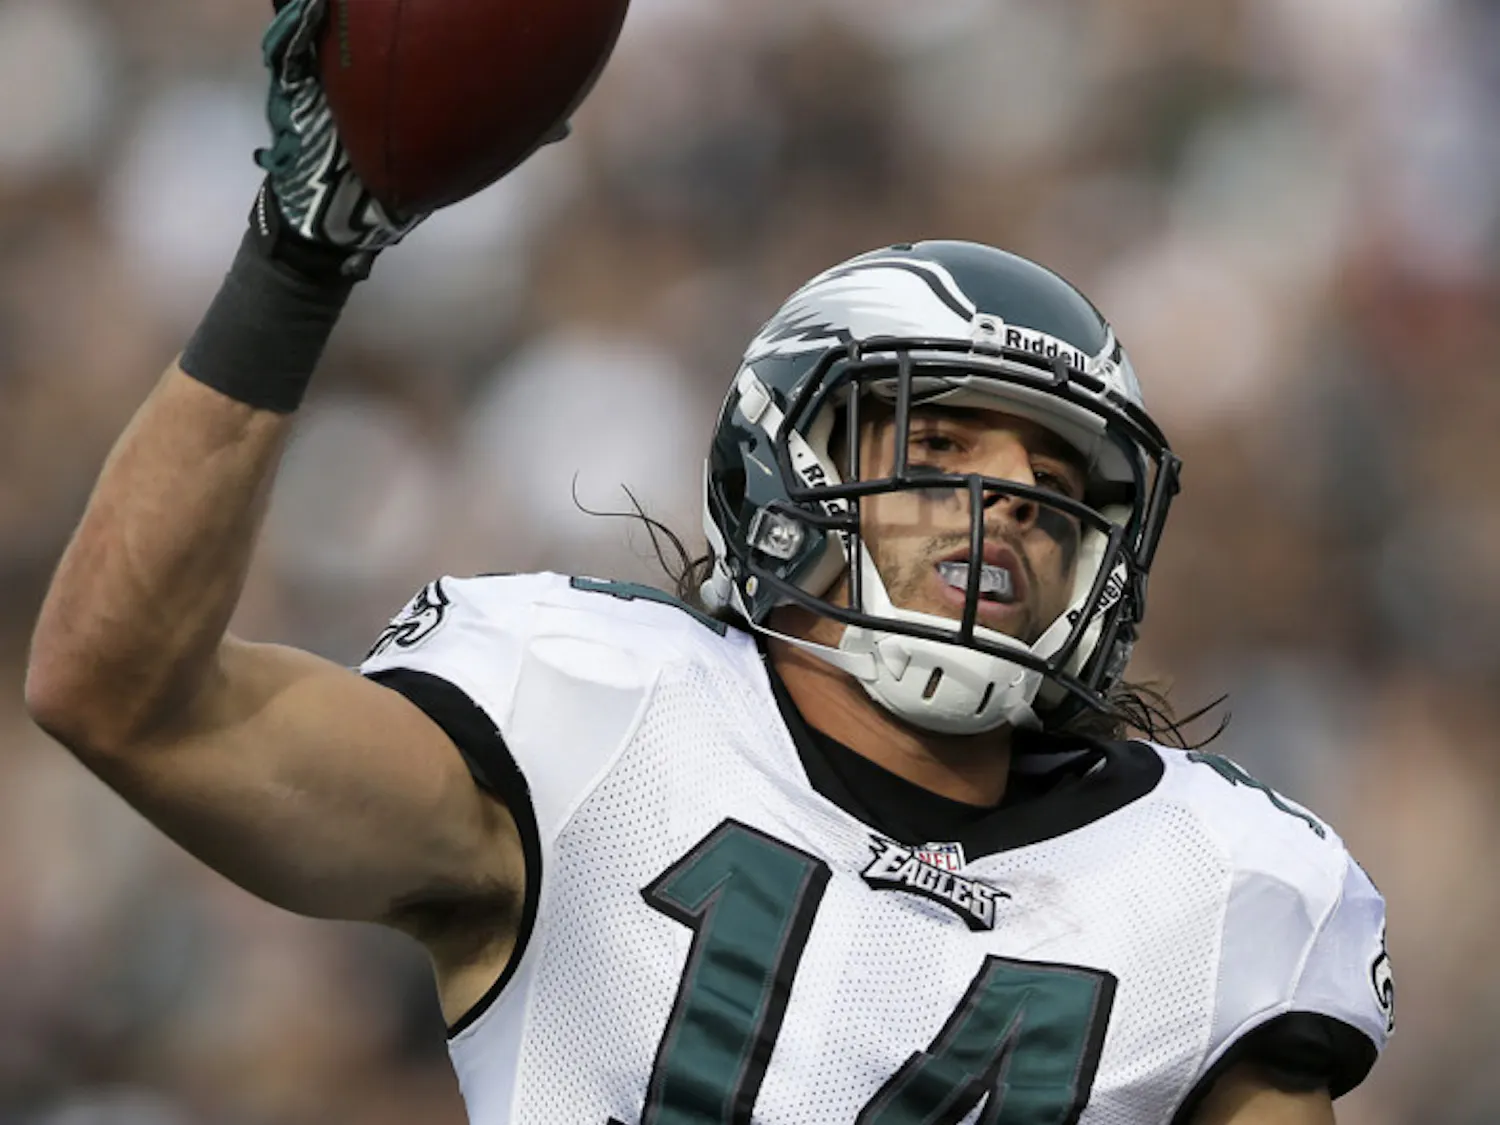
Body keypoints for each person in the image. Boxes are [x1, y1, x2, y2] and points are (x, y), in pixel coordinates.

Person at [25, 3, 1392, 1123]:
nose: (1010, 508)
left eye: (1057, 483)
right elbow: (122, 696)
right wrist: (297, 261)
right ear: (788, 468)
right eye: (948, 445)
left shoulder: (1223, 889)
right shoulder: (596, 721)